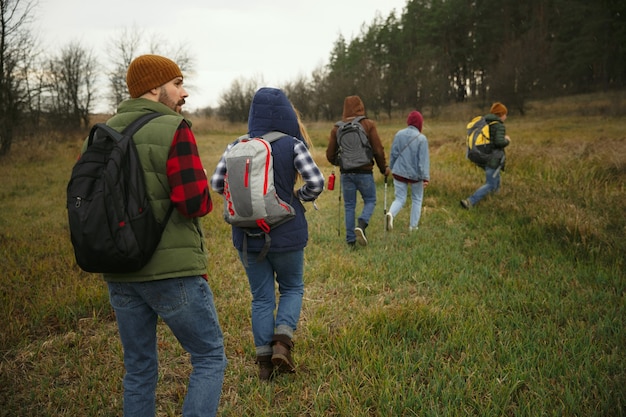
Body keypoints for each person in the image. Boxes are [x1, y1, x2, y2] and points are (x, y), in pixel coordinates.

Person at [94, 54, 227, 417]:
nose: (183, 93)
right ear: (154, 87)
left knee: (138, 370)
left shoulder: (103, 133)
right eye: (177, 84)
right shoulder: (174, 128)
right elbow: (193, 203)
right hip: (172, 272)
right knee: (209, 356)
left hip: (119, 272)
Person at [210, 87, 324, 381]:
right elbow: (316, 182)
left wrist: (246, 203)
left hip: (247, 236)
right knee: (292, 288)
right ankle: (282, 344)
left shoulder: (237, 144)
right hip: (287, 232)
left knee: (261, 298)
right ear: (286, 113)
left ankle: (263, 365)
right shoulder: (293, 145)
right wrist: (298, 196)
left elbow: (217, 183)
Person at [326, 95, 390, 247]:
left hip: (346, 173)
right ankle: (361, 223)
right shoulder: (368, 124)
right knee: (370, 200)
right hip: (365, 172)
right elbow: (378, 150)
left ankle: (350, 241)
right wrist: (383, 168)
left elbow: (330, 155)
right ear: (361, 107)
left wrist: (341, 162)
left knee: (349, 205)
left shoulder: (337, 128)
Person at [386, 111, 430, 232]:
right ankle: (413, 227)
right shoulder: (422, 139)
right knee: (416, 199)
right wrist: (425, 177)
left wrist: (391, 167)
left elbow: (393, 154)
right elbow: (423, 162)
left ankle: (391, 213)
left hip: (398, 172)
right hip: (415, 175)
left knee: (400, 198)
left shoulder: (399, 134)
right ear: (420, 123)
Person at [461, 102, 511, 209]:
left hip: (485, 156)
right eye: (505, 114)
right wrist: (507, 140)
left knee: (496, 181)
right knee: (491, 184)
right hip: (493, 158)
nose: (506, 116)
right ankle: (470, 201)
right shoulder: (498, 125)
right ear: (500, 114)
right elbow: (499, 142)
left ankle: (495, 203)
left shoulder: (486, 122)